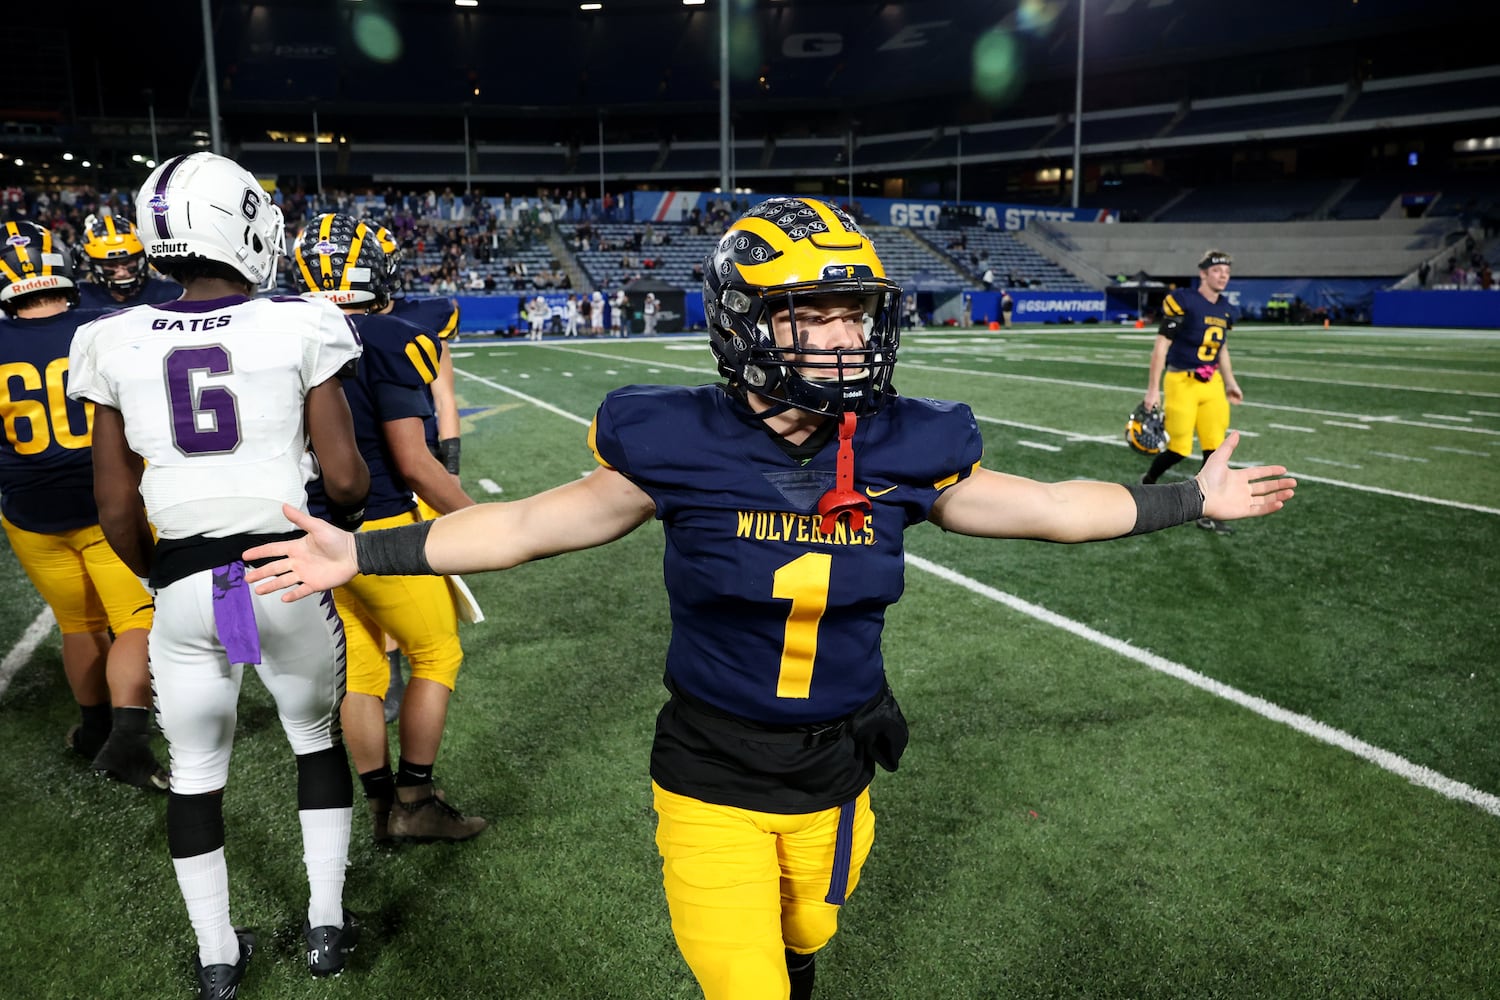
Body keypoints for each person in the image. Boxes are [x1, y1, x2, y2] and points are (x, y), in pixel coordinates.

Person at [243, 198, 1295, 1000]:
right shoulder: (678, 441)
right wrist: (366, 552)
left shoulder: (899, 447)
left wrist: (1185, 502)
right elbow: (523, 526)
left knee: (807, 945)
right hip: (710, 775)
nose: (843, 338)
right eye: (813, 314)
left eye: (855, 314)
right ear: (749, 321)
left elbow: (1056, 507)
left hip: (840, 773)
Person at [66, 152, 368, 996]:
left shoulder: (108, 336)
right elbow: (345, 481)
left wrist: (163, 575)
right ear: (240, 224)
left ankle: (216, 960)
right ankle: (326, 927)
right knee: (314, 741)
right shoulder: (300, 322)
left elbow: (116, 506)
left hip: (184, 585)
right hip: (280, 570)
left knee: (197, 772)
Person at [291, 213, 485, 845]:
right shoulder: (390, 337)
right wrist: (480, 520)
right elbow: (414, 462)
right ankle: (415, 799)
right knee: (437, 653)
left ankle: (378, 806)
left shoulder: (283, 335)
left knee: (364, 672)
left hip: (311, 533)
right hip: (379, 526)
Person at [0, 220, 165, 790]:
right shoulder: (101, 329)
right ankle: (128, 740)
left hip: (29, 513)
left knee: (78, 624)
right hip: (106, 503)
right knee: (136, 622)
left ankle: (93, 728)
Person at [369, 223, 464, 721]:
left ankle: (406, 659)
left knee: (418, 568)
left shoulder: (421, 318)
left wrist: (449, 466)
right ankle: (394, 670)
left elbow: (444, 396)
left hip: (415, 457)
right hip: (373, 465)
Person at [1139, 249, 1244, 534]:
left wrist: (1231, 381)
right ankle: (1148, 481)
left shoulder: (1225, 308)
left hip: (1212, 385)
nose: (1223, 276)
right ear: (1203, 274)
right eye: (1217, 271)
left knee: (1215, 448)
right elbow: (1161, 347)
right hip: (1181, 381)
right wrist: (1153, 390)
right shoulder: (1183, 300)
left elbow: (1221, 347)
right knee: (1179, 449)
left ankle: (1207, 509)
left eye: (1226, 272)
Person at [75, 214, 183, 309]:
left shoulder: (172, 293)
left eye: (127, 263)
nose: (122, 273)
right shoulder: (78, 297)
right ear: (94, 266)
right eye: (110, 265)